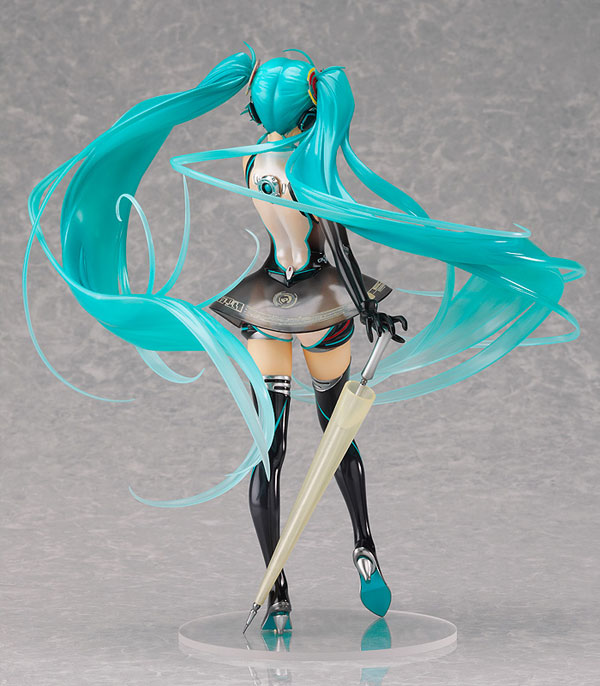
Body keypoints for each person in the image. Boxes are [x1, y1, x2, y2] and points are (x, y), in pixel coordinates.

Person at [25, 45, 584, 634]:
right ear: (310, 108)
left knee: (270, 450)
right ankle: (363, 545)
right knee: (337, 433)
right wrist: (368, 308)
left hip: (267, 305)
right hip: (320, 305)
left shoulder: (255, 160)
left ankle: (277, 590)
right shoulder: (308, 164)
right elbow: (337, 243)